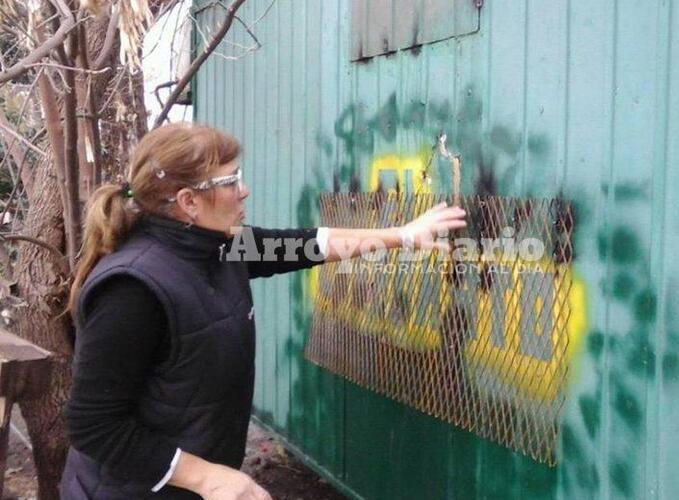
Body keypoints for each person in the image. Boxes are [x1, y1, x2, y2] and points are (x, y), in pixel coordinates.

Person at [60, 122, 466, 499]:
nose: (244, 189)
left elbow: (311, 244)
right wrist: (207, 476)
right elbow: (95, 425)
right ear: (188, 202)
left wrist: (403, 235)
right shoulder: (134, 289)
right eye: (231, 180)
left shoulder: (219, 247)